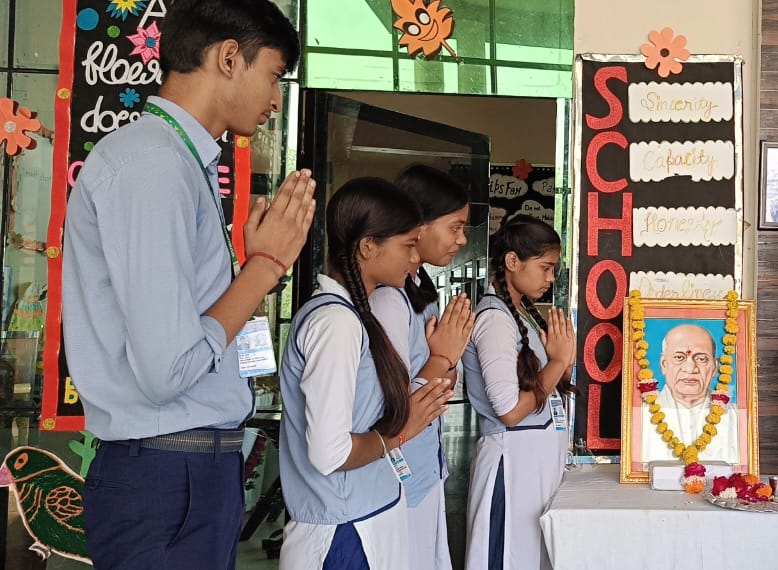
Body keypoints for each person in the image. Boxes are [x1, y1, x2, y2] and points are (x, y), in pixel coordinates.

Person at [62, 2, 310, 567]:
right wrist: (263, 268)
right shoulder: (152, 164)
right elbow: (166, 370)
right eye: (273, 75)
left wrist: (255, 272)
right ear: (228, 57)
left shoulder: (175, 161)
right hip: (168, 475)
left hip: (186, 469)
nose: (276, 100)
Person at [277, 178, 453, 568]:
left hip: (369, 517)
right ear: (368, 246)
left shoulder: (356, 315)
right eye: (407, 245)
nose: (413, 258)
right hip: (343, 531)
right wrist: (400, 433)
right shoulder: (334, 323)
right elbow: (330, 452)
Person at [369, 165, 475, 570]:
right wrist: (442, 358)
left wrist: (444, 362)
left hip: (424, 467)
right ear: (418, 223)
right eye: (455, 227)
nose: (461, 240)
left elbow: (443, 388)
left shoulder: (419, 294)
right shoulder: (389, 301)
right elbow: (391, 407)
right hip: (398, 474)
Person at [462, 216, 575, 570]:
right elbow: (509, 410)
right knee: (509, 555)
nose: (551, 278)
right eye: (545, 267)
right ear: (513, 262)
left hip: (533, 460)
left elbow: (543, 381)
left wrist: (562, 364)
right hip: (512, 464)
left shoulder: (520, 312)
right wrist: (557, 362)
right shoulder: (494, 319)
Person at [639, 323, 740, 465]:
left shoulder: (736, 417)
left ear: (714, 367)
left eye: (701, 359)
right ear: (663, 364)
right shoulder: (639, 417)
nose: (690, 368)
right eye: (679, 357)